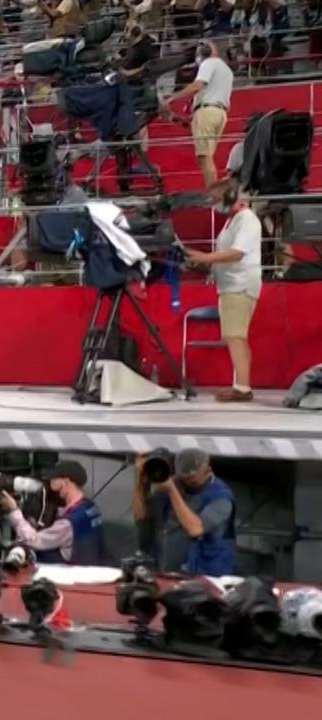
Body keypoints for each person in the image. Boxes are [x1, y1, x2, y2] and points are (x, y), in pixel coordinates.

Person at [184, 187, 261, 402]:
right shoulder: (233, 221)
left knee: (235, 336)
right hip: (231, 284)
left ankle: (243, 389)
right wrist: (202, 264)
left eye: (217, 199)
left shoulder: (247, 219)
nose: (214, 203)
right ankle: (242, 385)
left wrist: (205, 257)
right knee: (237, 337)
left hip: (240, 284)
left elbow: (237, 253)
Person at [133, 448, 237, 575]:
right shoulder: (177, 483)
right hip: (172, 569)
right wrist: (141, 482)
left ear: (207, 471)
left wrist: (172, 490)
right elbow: (142, 516)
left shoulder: (221, 497)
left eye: (192, 480)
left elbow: (195, 529)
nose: (185, 483)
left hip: (209, 574)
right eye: (183, 479)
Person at [0, 460, 106, 565]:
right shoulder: (90, 507)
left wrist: (14, 511)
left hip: (68, 576)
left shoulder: (68, 523)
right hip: (90, 566)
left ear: (66, 482)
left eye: (54, 478)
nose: (50, 482)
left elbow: (33, 540)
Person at [162, 39, 233, 189]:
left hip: (207, 111)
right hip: (219, 113)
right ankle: (214, 192)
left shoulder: (209, 63)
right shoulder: (226, 70)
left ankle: (213, 194)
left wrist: (172, 98)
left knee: (204, 157)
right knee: (206, 158)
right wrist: (177, 119)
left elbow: (197, 86)